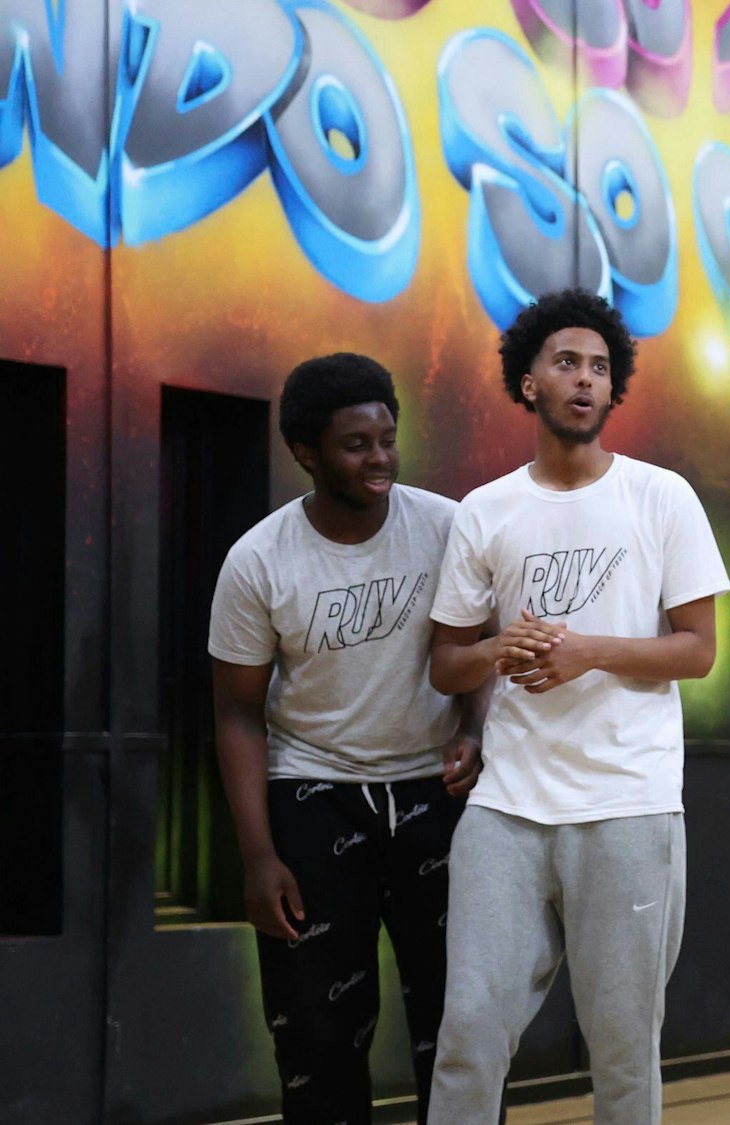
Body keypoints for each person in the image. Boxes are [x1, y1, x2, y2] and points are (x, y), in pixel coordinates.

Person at [425, 289, 730, 1125]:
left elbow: (698, 650)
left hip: (627, 806)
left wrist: (587, 650)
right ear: (529, 384)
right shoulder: (487, 510)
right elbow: (449, 663)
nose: (587, 380)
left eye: (600, 367)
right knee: (469, 1030)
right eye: (567, 363)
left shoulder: (660, 496)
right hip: (508, 806)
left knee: (625, 1047)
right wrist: (499, 649)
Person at [209, 353, 485, 1124]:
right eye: (356, 444)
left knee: (466, 1022)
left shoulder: (447, 526)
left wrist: (473, 724)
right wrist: (259, 854)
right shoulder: (259, 560)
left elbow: (483, 644)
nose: (380, 459)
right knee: (319, 1037)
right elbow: (235, 712)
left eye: (388, 439)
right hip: (314, 795)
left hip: (437, 790)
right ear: (305, 452)